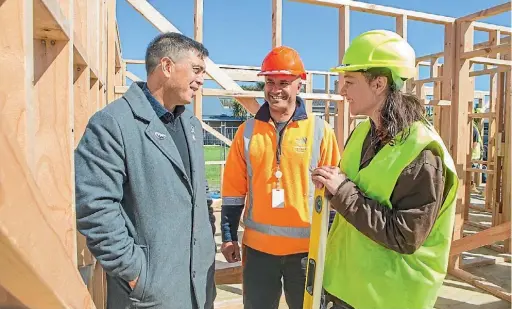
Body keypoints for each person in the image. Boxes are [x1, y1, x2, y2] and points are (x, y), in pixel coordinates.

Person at [311, 30, 459, 309]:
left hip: (388, 297)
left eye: (350, 81)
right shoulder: (361, 134)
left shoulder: (422, 153)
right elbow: (356, 196)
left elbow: (405, 235)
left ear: (378, 83)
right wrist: (333, 186)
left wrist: (343, 191)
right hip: (345, 285)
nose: (342, 91)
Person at [75, 32, 216, 309]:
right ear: (166, 67)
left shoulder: (191, 125)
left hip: (197, 287)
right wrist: (136, 274)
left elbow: (201, 195)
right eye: (196, 70)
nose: (201, 79)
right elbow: (95, 209)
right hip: (149, 294)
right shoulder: (112, 124)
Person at [220, 46, 341, 309]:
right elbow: (232, 189)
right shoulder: (247, 131)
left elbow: (334, 195)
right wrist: (228, 235)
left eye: (284, 83)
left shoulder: (320, 130)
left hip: (306, 253)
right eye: (270, 82)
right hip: (259, 252)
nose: (275, 90)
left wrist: (330, 244)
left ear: (300, 84)